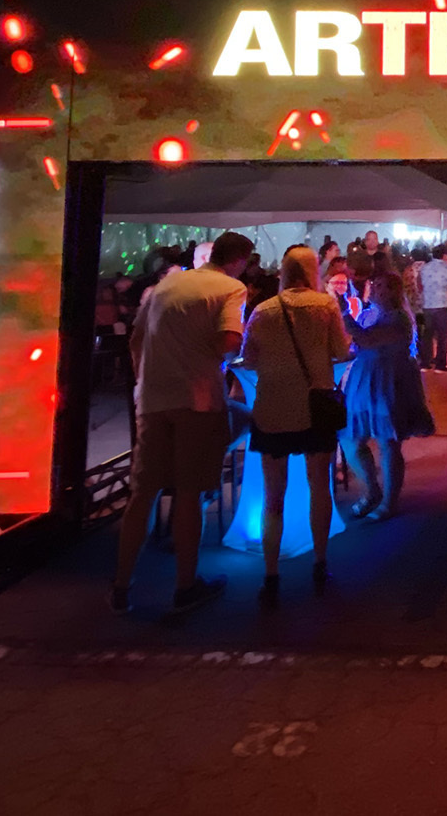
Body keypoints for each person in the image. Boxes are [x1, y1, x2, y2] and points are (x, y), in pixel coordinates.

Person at [111, 230, 253, 617]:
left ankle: (122, 585)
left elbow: (137, 339)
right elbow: (229, 341)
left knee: (143, 494)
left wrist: (148, 380)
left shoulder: (166, 286)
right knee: (190, 493)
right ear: (239, 260)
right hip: (198, 399)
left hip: (153, 399)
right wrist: (206, 358)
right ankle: (185, 585)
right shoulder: (229, 288)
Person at [240, 246, 352, 606]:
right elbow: (341, 350)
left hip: (272, 408)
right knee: (319, 486)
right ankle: (320, 563)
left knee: (274, 497)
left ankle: (271, 574)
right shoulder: (325, 306)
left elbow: (250, 357)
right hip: (314, 406)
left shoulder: (263, 310)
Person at [340, 273, 435, 520]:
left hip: (390, 380)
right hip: (364, 378)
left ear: (394, 291)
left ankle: (389, 502)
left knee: (387, 441)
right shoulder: (368, 313)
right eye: (376, 285)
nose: (377, 290)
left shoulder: (400, 317)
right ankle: (372, 490)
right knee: (351, 439)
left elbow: (368, 339)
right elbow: (357, 345)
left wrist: (344, 314)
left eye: (384, 286)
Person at [420, 246, 447, 370]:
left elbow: (420, 285)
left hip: (427, 305)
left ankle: (425, 362)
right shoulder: (446, 268)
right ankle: (440, 364)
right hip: (442, 305)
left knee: (428, 334)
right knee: (443, 335)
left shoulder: (424, 268)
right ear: (443, 255)